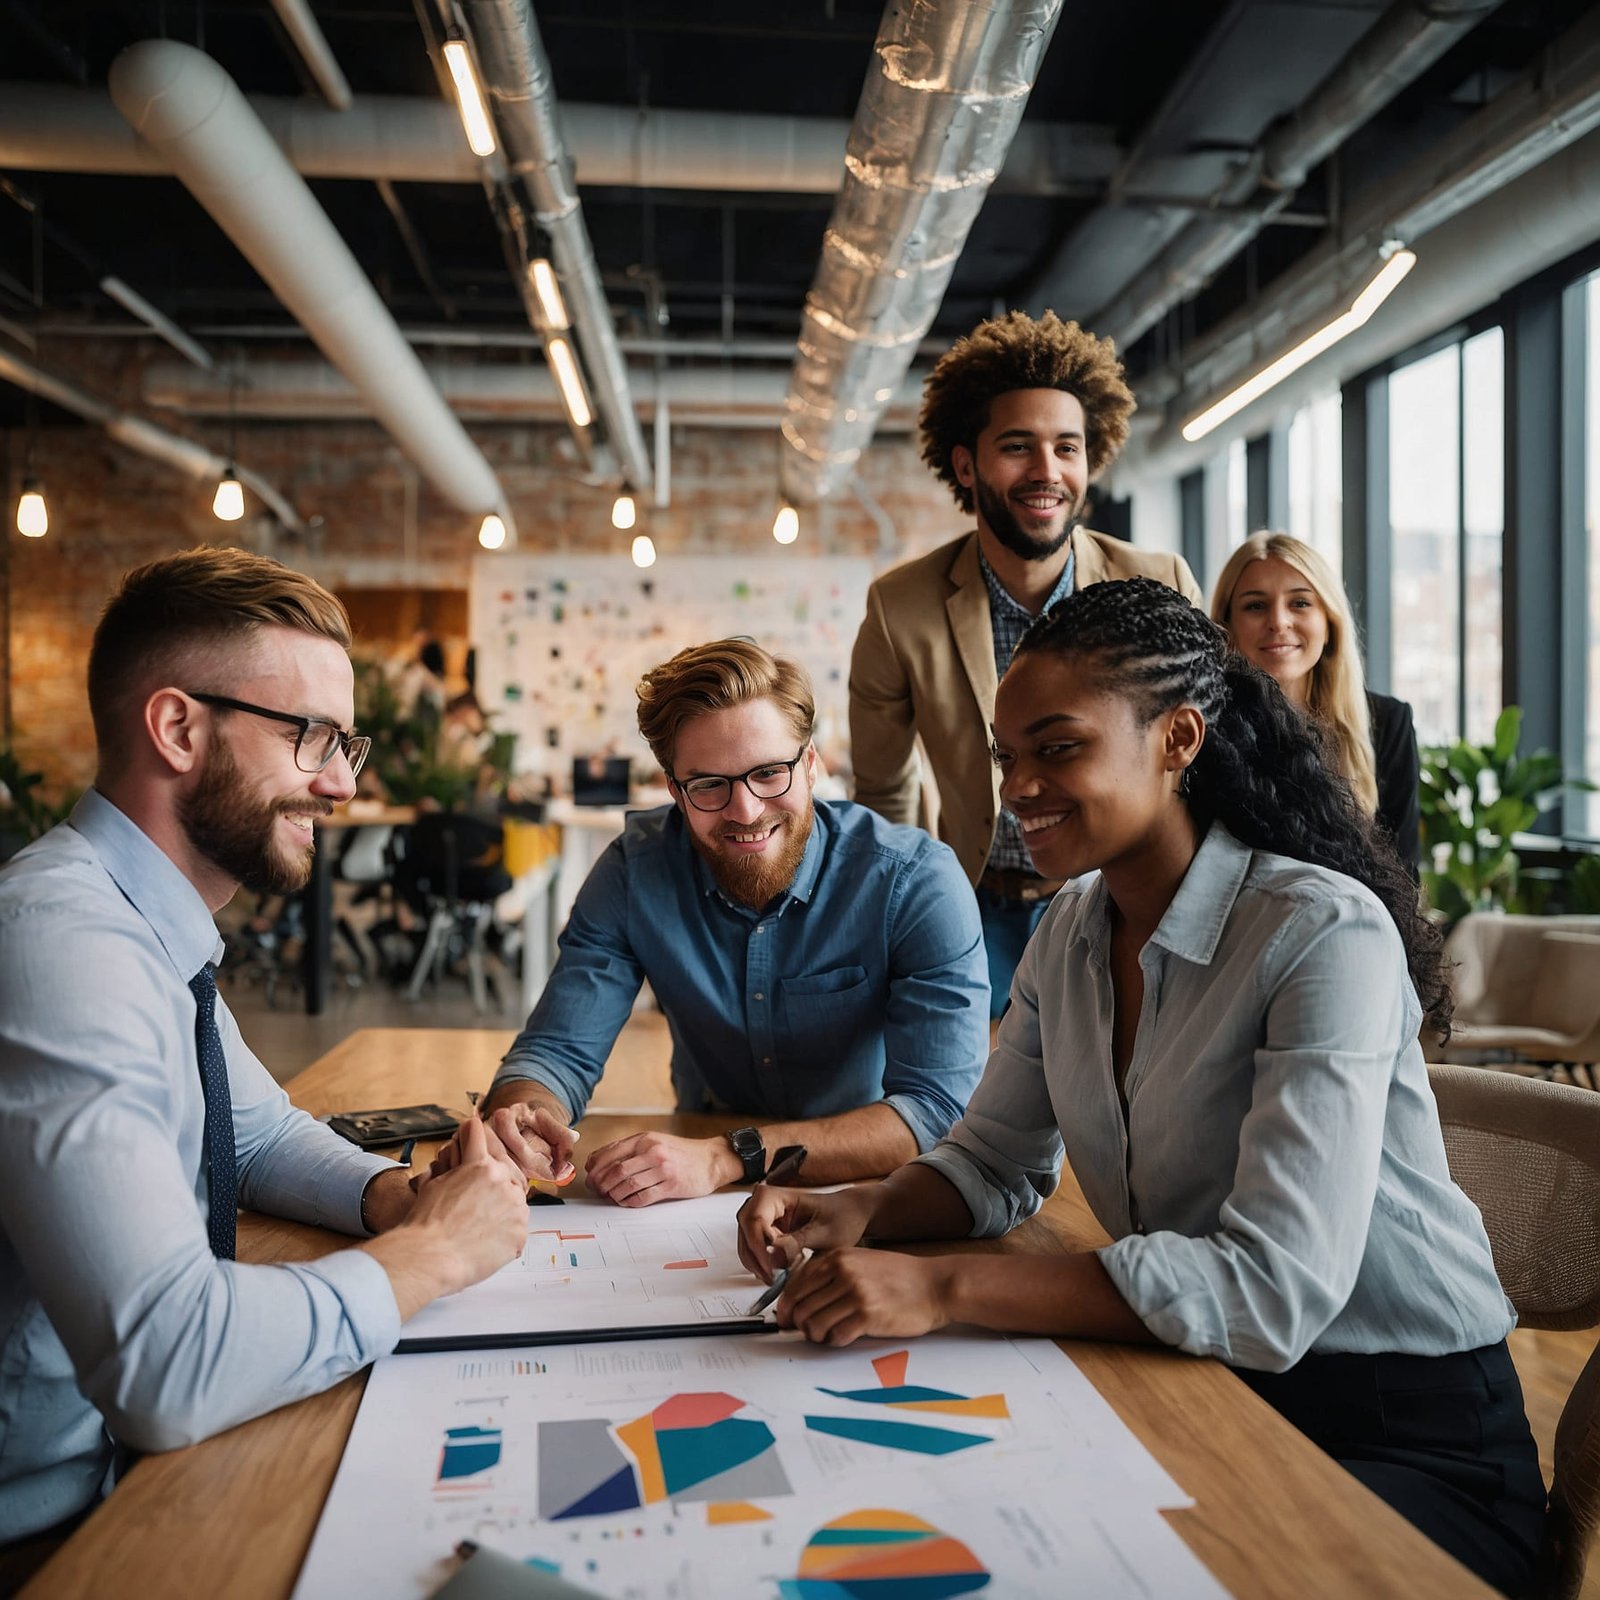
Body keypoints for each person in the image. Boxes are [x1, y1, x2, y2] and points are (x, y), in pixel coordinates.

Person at [741, 578, 1544, 1598]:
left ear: (1177, 739)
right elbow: (992, 1161)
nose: (1017, 787)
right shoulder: (1068, 928)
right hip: (1203, 1380)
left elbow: (1268, 1289)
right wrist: (856, 1211)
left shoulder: (1318, 933)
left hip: (1400, 1435)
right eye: (1006, 757)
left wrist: (939, 1287)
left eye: (1057, 746)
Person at [0, 549, 531, 1572]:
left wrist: (397, 1198)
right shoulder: (58, 944)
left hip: (130, 1476)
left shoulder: (142, 928)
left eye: (347, 743)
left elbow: (251, 1129)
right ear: (178, 728)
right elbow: (170, 1360)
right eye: (313, 739)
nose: (339, 783)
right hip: (50, 1532)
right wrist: (433, 1256)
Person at [432, 638, 989, 1207]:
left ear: (812, 763)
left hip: (861, 1188)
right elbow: (557, 1052)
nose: (745, 811)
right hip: (692, 1193)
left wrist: (731, 1155)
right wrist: (525, 1115)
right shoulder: (634, 872)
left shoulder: (915, 881)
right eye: (708, 786)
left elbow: (937, 1110)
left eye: (769, 773)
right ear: (675, 791)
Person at [849, 310, 1203, 1015]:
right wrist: (902, 919)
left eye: (1067, 448)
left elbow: (1204, 761)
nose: (1047, 471)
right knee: (971, 1106)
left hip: (1126, 895)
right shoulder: (902, 606)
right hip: (976, 908)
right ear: (965, 465)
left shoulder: (1159, 581)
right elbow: (885, 797)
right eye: (1018, 446)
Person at [1211, 531, 1420, 864]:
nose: (1278, 622)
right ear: (1227, 628)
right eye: (1255, 606)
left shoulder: (1387, 723)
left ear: (1329, 623)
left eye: (1300, 603)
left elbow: (1405, 874)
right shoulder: (1206, 733)